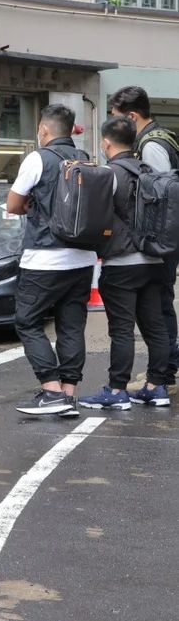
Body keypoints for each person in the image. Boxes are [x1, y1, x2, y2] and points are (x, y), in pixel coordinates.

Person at [6, 104, 101, 416]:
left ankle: (50, 390)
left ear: (43, 130)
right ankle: (68, 394)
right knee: (71, 325)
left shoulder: (38, 158)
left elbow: (13, 203)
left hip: (44, 258)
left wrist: (32, 209)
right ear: (71, 130)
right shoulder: (86, 160)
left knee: (27, 320)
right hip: (83, 258)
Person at [79, 117, 171, 409]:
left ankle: (117, 390)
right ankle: (157, 386)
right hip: (155, 259)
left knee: (121, 329)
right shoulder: (149, 170)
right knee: (155, 327)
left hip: (121, 263)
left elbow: (94, 215)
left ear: (106, 142)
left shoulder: (110, 173)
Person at [108, 86, 179, 392]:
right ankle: (161, 373)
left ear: (132, 116)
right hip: (165, 240)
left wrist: (150, 242)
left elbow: (161, 199)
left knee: (161, 307)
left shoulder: (150, 146)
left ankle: (164, 375)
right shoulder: (163, 136)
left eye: (117, 119)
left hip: (159, 241)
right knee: (161, 305)